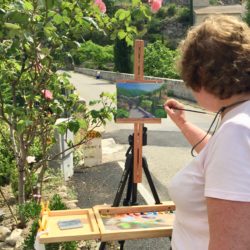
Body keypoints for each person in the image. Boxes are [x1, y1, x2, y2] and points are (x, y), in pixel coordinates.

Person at [164, 15, 250, 250]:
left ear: (200, 73)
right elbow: (220, 160)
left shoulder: (237, 130)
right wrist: (183, 124)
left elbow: (231, 245)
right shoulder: (241, 118)